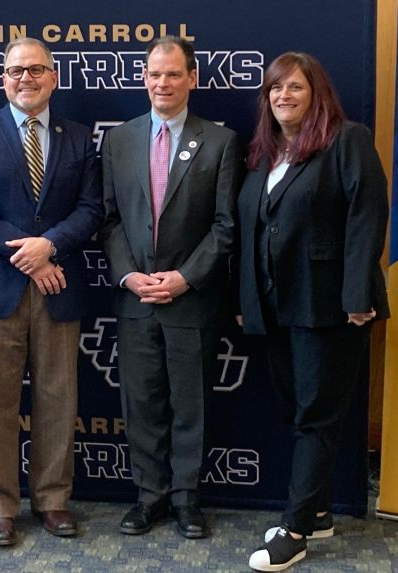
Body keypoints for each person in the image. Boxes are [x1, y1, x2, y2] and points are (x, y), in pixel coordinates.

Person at [237, 52, 389, 572]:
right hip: (279, 307)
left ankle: (296, 530)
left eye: (295, 88)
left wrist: (357, 299)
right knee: (297, 411)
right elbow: (256, 232)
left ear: (315, 92)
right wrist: (248, 302)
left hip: (331, 308)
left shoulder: (347, 140)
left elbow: (368, 218)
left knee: (316, 417)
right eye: (275, 89)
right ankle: (319, 509)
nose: (283, 96)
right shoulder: (264, 153)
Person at [0, 37, 102, 546]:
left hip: (58, 285)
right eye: (16, 70)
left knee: (59, 399)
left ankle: (54, 500)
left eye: (36, 70)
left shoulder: (79, 137)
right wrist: (30, 257)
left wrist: (49, 246)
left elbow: (91, 210)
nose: (26, 79)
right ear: (3, 78)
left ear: (53, 78)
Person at [100, 36, 244, 539]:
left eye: (173, 74)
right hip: (135, 298)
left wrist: (185, 277)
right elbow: (109, 220)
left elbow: (227, 226)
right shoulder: (119, 140)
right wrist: (129, 275)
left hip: (191, 299)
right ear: (144, 78)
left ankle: (186, 500)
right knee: (142, 405)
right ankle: (150, 497)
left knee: (191, 404)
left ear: (192, 79)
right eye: (154, 74)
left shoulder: (220, 143)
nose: (163, 83)